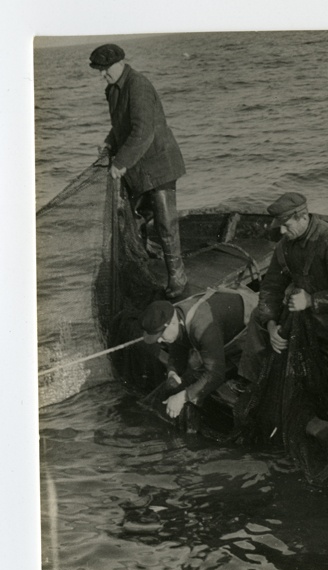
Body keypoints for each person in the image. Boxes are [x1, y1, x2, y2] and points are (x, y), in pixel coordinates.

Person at [237, 192, 328, 421]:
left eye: (286, 226)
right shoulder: (284, 246)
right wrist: (270, 325)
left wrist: (311, 300)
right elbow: (271, 289)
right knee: (310, 391)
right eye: (279, 226)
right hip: (308, 330)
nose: (281, 232)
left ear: (303, 217)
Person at [89, 43, 188, 299]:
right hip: (138, 169)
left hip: (159, 165)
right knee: (135, 219)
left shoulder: (138, 86)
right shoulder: (113, 89)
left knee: (166, 224)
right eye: (99, 70)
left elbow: (143, 131)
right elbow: (122, 124)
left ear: (120, 63)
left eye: (105, 69)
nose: (102, 75)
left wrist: (120, 162)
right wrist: (110, 141)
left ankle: (178, 279)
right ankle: (147, 267)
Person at [140, 288, 257, 430]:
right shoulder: (175, 317)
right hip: (219, 329)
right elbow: (177, 353)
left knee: (211, 369)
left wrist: (183, 397)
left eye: (160, 335)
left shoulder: (201, 327)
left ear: (171, 323)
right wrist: (172, 373)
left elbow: (216, 374)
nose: (159, 341)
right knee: (194, 367)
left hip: (251, 322)